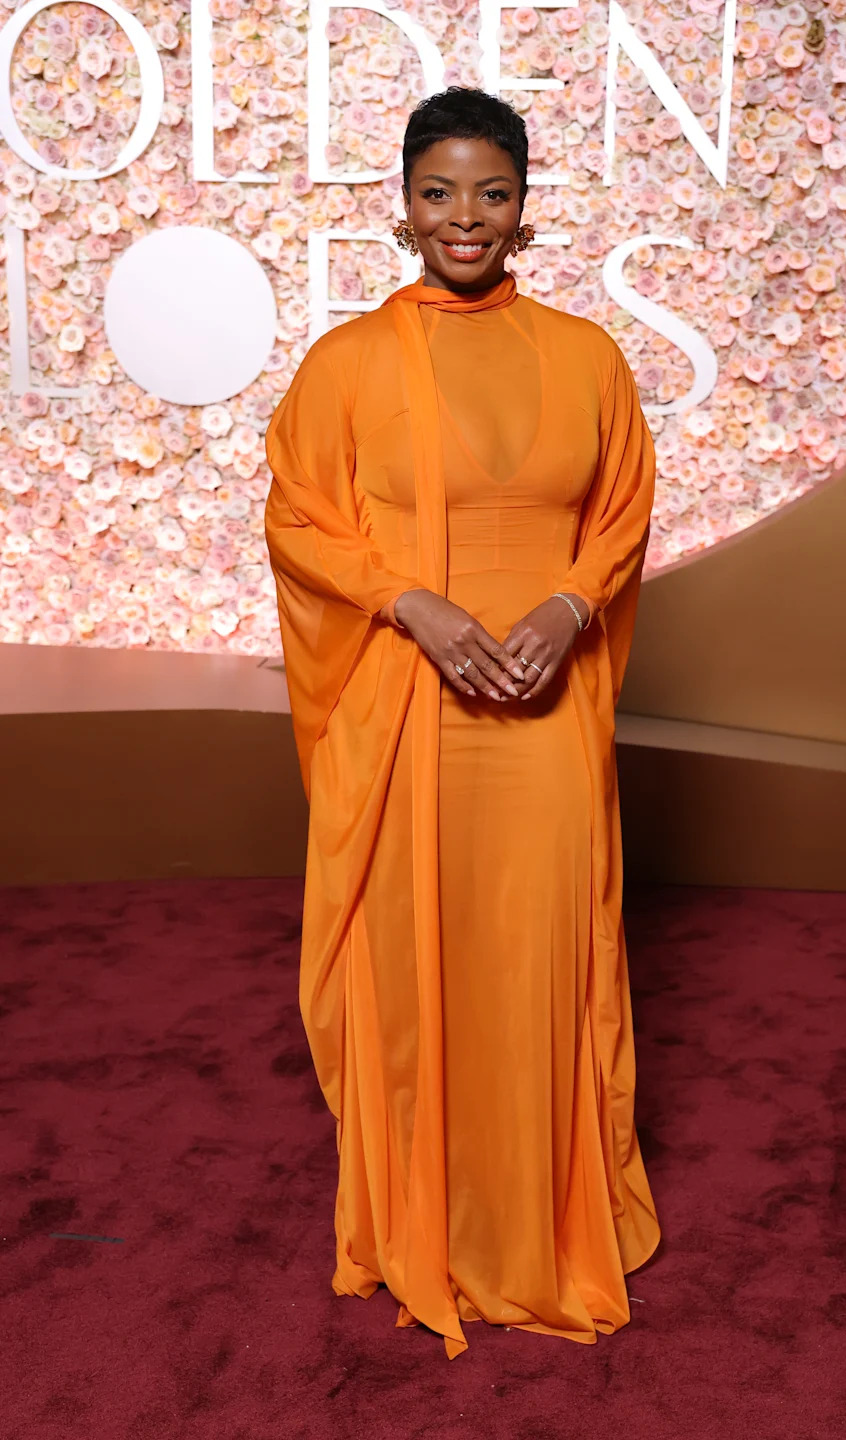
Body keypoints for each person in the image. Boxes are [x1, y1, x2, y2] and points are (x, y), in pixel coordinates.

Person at [264, 87, 660, 1360]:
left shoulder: (589, 355)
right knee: (413, 971)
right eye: (440, 192)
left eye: (490, 192)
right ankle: (422, 1223)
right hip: (406, 707)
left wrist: (568, 602)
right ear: (403, 207)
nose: (465, 217)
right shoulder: (350, 361)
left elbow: (622, 512)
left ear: (526, 209)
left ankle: (538, 1227)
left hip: (542, 722)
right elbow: (297, 516)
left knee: (537, 959)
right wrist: (411, 603)